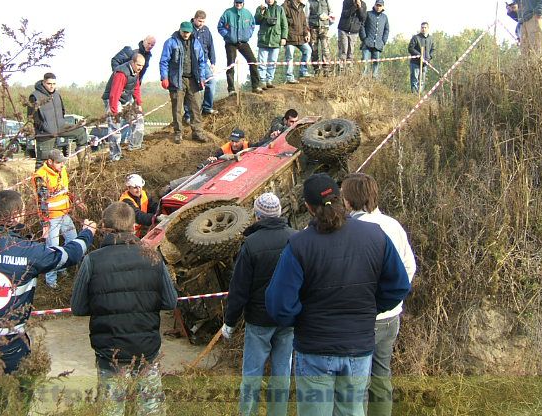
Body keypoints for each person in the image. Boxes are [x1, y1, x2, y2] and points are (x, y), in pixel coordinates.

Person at [265, 173, 411, 416]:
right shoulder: (375, 235)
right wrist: (369, 309)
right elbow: (398, 286)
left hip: (315, 347)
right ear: (341, 199)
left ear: (308, 208)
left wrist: (303, 321)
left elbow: (279, 304)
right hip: (358, 345)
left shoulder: (300, 244)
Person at [0, 190, 95, 416]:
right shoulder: (30, 251)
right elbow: (68, 255)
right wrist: (87, 233)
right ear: (18, 215)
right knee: (13, 408)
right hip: (11, 345)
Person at [71, 202, 177, 416]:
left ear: (104, 226)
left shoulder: (92, 260)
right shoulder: (153, 257)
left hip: (110, 352)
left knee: (111, 409)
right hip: (146, 348)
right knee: (151, 410)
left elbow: (78, 307)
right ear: (133, 226)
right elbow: (170, 302)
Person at [340, 173, 417, 416]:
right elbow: (409, 267)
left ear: (349, 201)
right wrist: (390, 301)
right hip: (390, 316)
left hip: (360, 319)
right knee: (382, 374)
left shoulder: (350, 231)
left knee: (356, 382)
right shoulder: (393, 225)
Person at [222, 193, 296, 416]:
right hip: (288, 318)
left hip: (259, 320)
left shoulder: (251, 244)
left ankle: (248, 412)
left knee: (252, 374)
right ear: (279, 212)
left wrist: (230, 322)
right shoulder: (296, 238)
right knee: (282, 373)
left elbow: (239, 288)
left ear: (257, 215)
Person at [32, 148, 86, 289]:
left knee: (73, 239)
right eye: (58, 163)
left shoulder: (61, 170)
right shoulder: (41, 176)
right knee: (53, 249)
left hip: (64, 213)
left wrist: (76, 200)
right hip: (51, 219)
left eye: (62, 162)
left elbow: (65, 190)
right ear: (50, 162)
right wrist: (45, 223)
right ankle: (51, 282)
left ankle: (62, 268)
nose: (62, 165)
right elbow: (41, 201)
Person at [159, 21, 209, 144]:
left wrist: (202, 77)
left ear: (191, 31)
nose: (186, 34)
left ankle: (197, 132)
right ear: (180, 30)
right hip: (177, 79)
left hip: (193, 79)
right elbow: (164, 61)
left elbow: (202, 62)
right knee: (177, 107)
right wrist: (164, 77)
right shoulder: (171, 42)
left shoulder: (196, 43)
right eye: (184, 32)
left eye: (188, 32)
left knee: (196, 106)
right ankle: (178, 133)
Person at [27, 72, 88, 169]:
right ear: (43, 82)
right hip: (46, 133)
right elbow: (31, 117)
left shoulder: (57, 95)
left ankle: (84, 167)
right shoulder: (35, 96)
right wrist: (45, 129)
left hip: (60, 126)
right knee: (43, 162)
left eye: (54, 84)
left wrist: (62, 123)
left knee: (81, 131)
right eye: (49, 84)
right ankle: (39, 183)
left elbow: (62, 111)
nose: (52, 86)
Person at [102, 53, 146, 159]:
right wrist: (114, 111)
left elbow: (135, 88)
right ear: (132, 62)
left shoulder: (136, 72)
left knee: (138, 119)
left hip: (125, 98)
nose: (140, 68)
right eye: (138, 65)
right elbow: (114, 93)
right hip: (113, 99)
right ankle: (115, 155)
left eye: (142, 66)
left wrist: (138, 103)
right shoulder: (121, 73)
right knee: (115, 127)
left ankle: (135, 146)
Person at [217, 0, 262, 95]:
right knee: (230, 65)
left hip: (243, 42)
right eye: (237, 2)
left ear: (243, 3)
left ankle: (256, 86)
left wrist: (248, 35)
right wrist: (227, 35)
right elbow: (220, 27)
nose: (238, 4)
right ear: (234, 2)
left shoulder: (247, 13)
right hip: (230, 43)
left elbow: (252, 25)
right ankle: (231, 89)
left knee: (253, 61)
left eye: (240, 2)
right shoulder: (227, 13)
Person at [255, 0, 288, 89]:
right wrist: (261, 12)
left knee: (273, 62)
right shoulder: (261, 8)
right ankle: (263, 81)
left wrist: (284, 37)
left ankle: (269, 80)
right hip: (263, 40)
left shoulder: (280, 9)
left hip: (275, 39)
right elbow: (256, 21)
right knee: (262, 62)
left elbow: (284, 24)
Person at [190, 10, 217, 116]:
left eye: (203, 21)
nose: (201, 23)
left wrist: (213, 62)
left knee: (211, 81)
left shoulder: (206, 30)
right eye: (199, 21)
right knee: (192, 87)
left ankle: (207, 107)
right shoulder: (188, 29)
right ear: (195, 19)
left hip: (204, 63)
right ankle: (189, 113)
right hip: (191, 63)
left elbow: (211, 46)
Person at [282, 0, 312, 84]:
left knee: (308, 50)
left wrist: (306, 33)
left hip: (300, 37)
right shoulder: (285, 7)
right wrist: (283, 37)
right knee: (289, 57)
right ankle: (289, 77)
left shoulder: (301, 8)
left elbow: (304, 23)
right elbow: (282, 23)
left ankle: (303, 71)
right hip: (289, 38)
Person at [337, 0, 367, 70]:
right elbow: (345, 14)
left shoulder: (363, 5)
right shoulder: (347, 1)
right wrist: (354, 6)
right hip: (343, 29)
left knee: (351, 52)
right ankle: (341, 70)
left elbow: (363, 18)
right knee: (343, 51)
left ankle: (349, 70)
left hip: (354, 31)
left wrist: (359, 7)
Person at [360, 0, 390, 79]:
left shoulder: (385, 17)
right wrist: (364, 38)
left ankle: (374, 82)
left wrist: (383, 41)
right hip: (367, 44)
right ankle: (363, 80)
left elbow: (386, 30)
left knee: (376, 64)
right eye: (377, 5)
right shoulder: (368, 14)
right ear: (374, 5)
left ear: (383, 7)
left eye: (380, 6)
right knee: (364, 64)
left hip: (378, 45)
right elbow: (362, 25)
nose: (378, 7)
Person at [307, 0, 334, 76]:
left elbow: (332, 14)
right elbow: (306, 16)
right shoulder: (309, 2)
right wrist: (307, 29)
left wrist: (328, 21)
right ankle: (316, 70)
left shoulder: (326, 0)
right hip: (313, 28)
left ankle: (327, 70)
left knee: (326, 49)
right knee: (314, 50)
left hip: (324, 28)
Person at [408, 22, 435, 93]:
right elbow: (410, 48)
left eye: (425, 27)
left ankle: (419, 95)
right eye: (422, 27)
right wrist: (419, 55)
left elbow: (433, 49)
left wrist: (429, 57)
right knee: (414, 79)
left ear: (428, 28)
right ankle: (414, 95)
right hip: (415, 63)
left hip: (425, 63)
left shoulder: (430, 38)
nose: (423, 29)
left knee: (422, 80)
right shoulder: (416, 37)